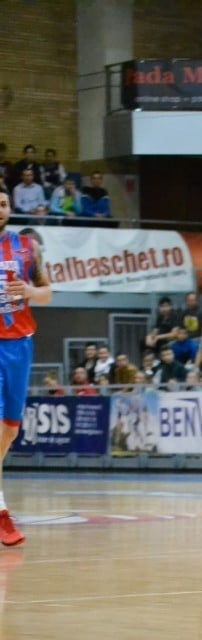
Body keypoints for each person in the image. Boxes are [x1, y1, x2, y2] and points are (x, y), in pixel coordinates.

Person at [0, 191, 53, 546]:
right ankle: (2, 514)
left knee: (9, 430)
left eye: (2, 203)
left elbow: (48, 293)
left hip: (18, 344)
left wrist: (30, 291)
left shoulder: (27, 248)